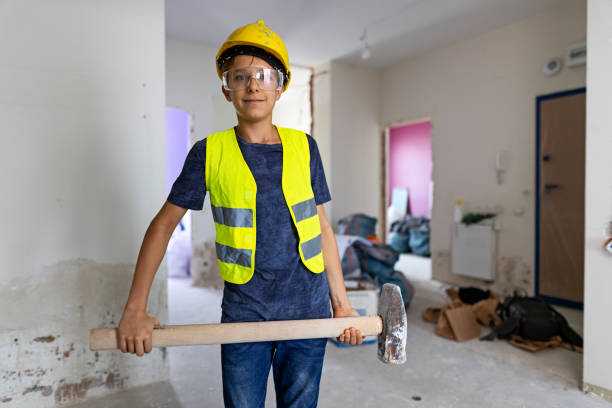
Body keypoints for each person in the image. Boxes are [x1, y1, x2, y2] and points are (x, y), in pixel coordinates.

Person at [118, 19, 363, 407]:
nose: (253, 85)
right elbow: (163, 225)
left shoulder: (305, 147)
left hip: (307, 312)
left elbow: (321, 226)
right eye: (241, 76)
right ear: (226, 88)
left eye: (264, 75)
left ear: (280, 87)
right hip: (245, 314)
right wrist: (135, 309)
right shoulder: (209, 152)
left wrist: (342, 304)